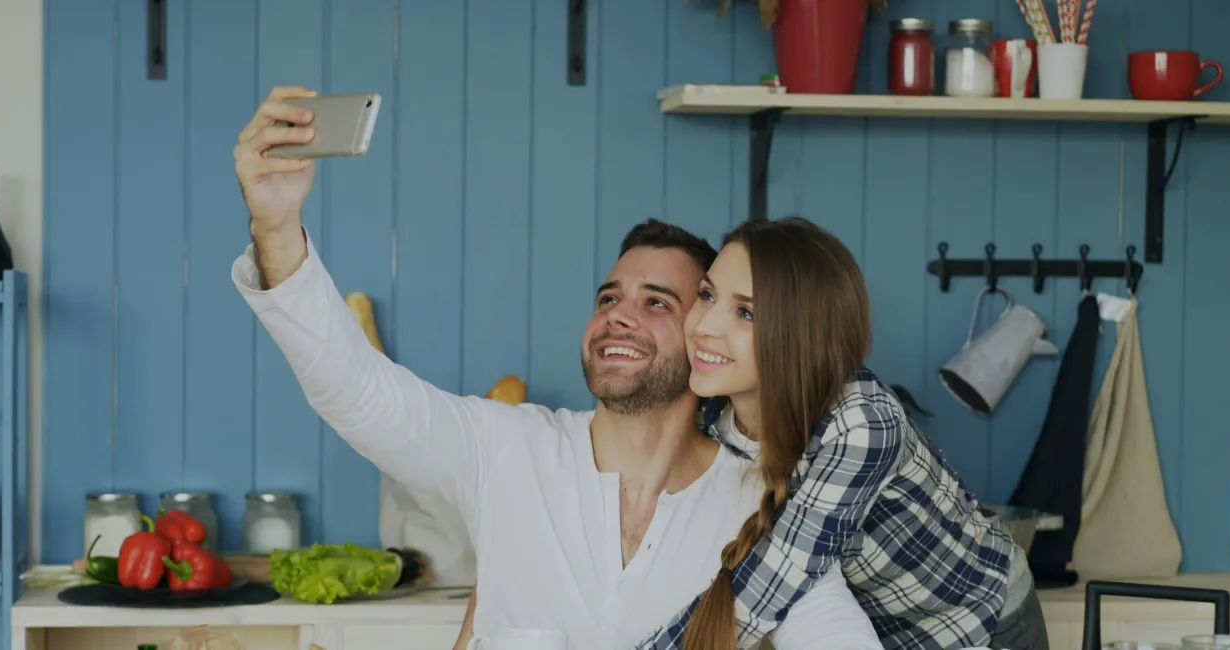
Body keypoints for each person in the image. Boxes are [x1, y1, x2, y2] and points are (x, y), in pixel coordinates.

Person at [230, 86, 881, 650]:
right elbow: (356, 390)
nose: (619, 315)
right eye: (609, 298)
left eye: (657, 303)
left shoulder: (759, 512)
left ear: (701, 335)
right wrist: (279, 228)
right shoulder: (505, 447)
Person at [633, 217, 1047, 650]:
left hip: (979, 620)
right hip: (874, 631)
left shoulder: (862, 423)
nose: (703, 327)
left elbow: (770, 583)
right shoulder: (712, 418)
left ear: (799, 334)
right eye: (707, 295)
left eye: (746, 312)